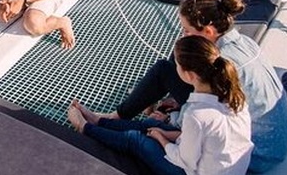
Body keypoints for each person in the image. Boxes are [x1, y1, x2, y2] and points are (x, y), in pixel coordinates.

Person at [75, 0, 287, 173]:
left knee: (164, 70)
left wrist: (175, 117)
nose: (182, 34)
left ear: (208, 31)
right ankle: (111, 119)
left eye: (187, 30)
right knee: (176, 57)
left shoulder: (224, 62)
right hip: (275, 142)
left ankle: (108, 120)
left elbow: (211, 117)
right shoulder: (245, 43)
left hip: (255, 154)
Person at [68, 35, 253, 175]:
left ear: (189, 75)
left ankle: (85, 127)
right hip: (220, 164)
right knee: (151, 125)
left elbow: (185, 161)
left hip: (191, 171)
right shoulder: (235, 98)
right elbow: (204, 138)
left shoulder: (198, 114)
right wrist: (163, 132)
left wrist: (161, 139)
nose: (174, 68)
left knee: (136, 139)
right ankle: (98, 121)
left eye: (177, 65)